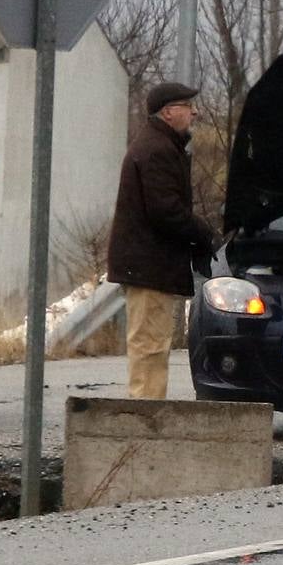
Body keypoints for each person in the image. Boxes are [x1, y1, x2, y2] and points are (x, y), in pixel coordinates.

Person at [108, 81, 216, 399]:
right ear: (169, 113)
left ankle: (147, 414)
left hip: (149, 266)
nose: (194, 112)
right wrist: (204, 234)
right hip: (149, 267)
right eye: (187, 106)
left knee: (151, 346)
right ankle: (145, 419)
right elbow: (166, 212)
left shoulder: (158, 145)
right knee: (150, 348)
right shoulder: (157, 150)